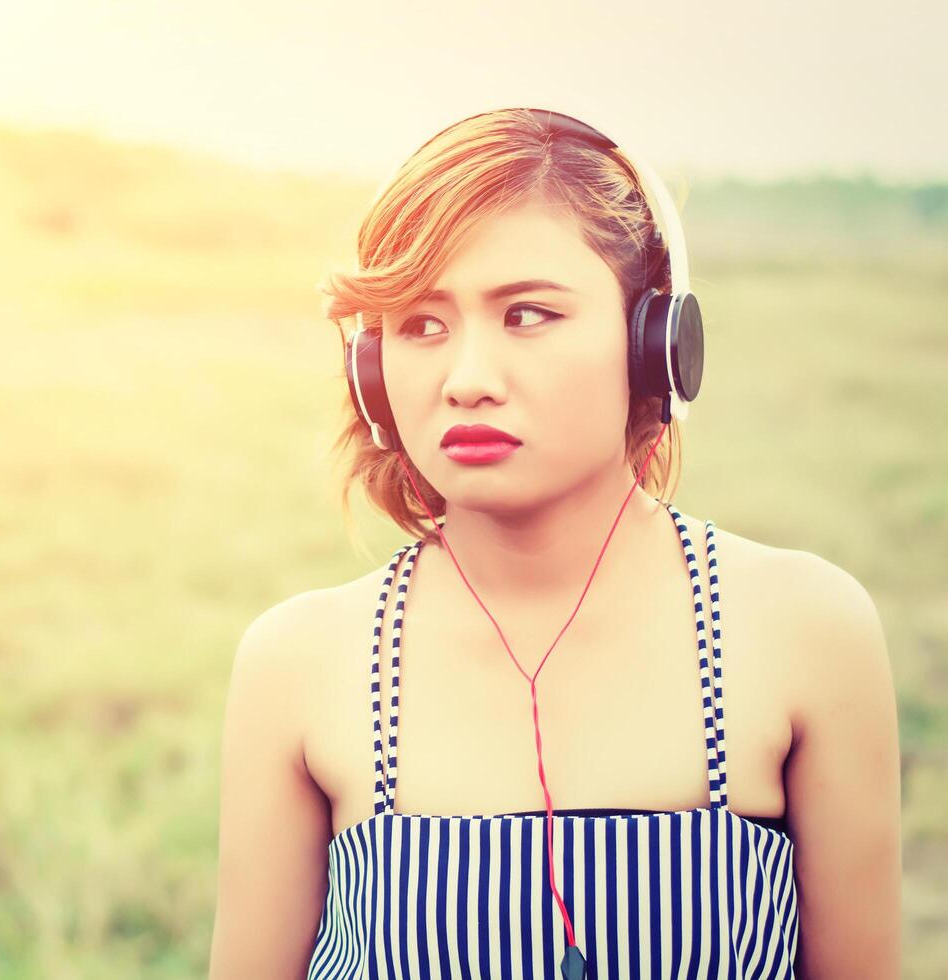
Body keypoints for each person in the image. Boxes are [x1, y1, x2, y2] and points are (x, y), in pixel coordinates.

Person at [208, 107, 901, 978]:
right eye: (422, 326)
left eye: (528, 315)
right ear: (373, 374)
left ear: (656, 343)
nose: (466, 381)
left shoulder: (806, 630)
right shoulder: (300, 662)